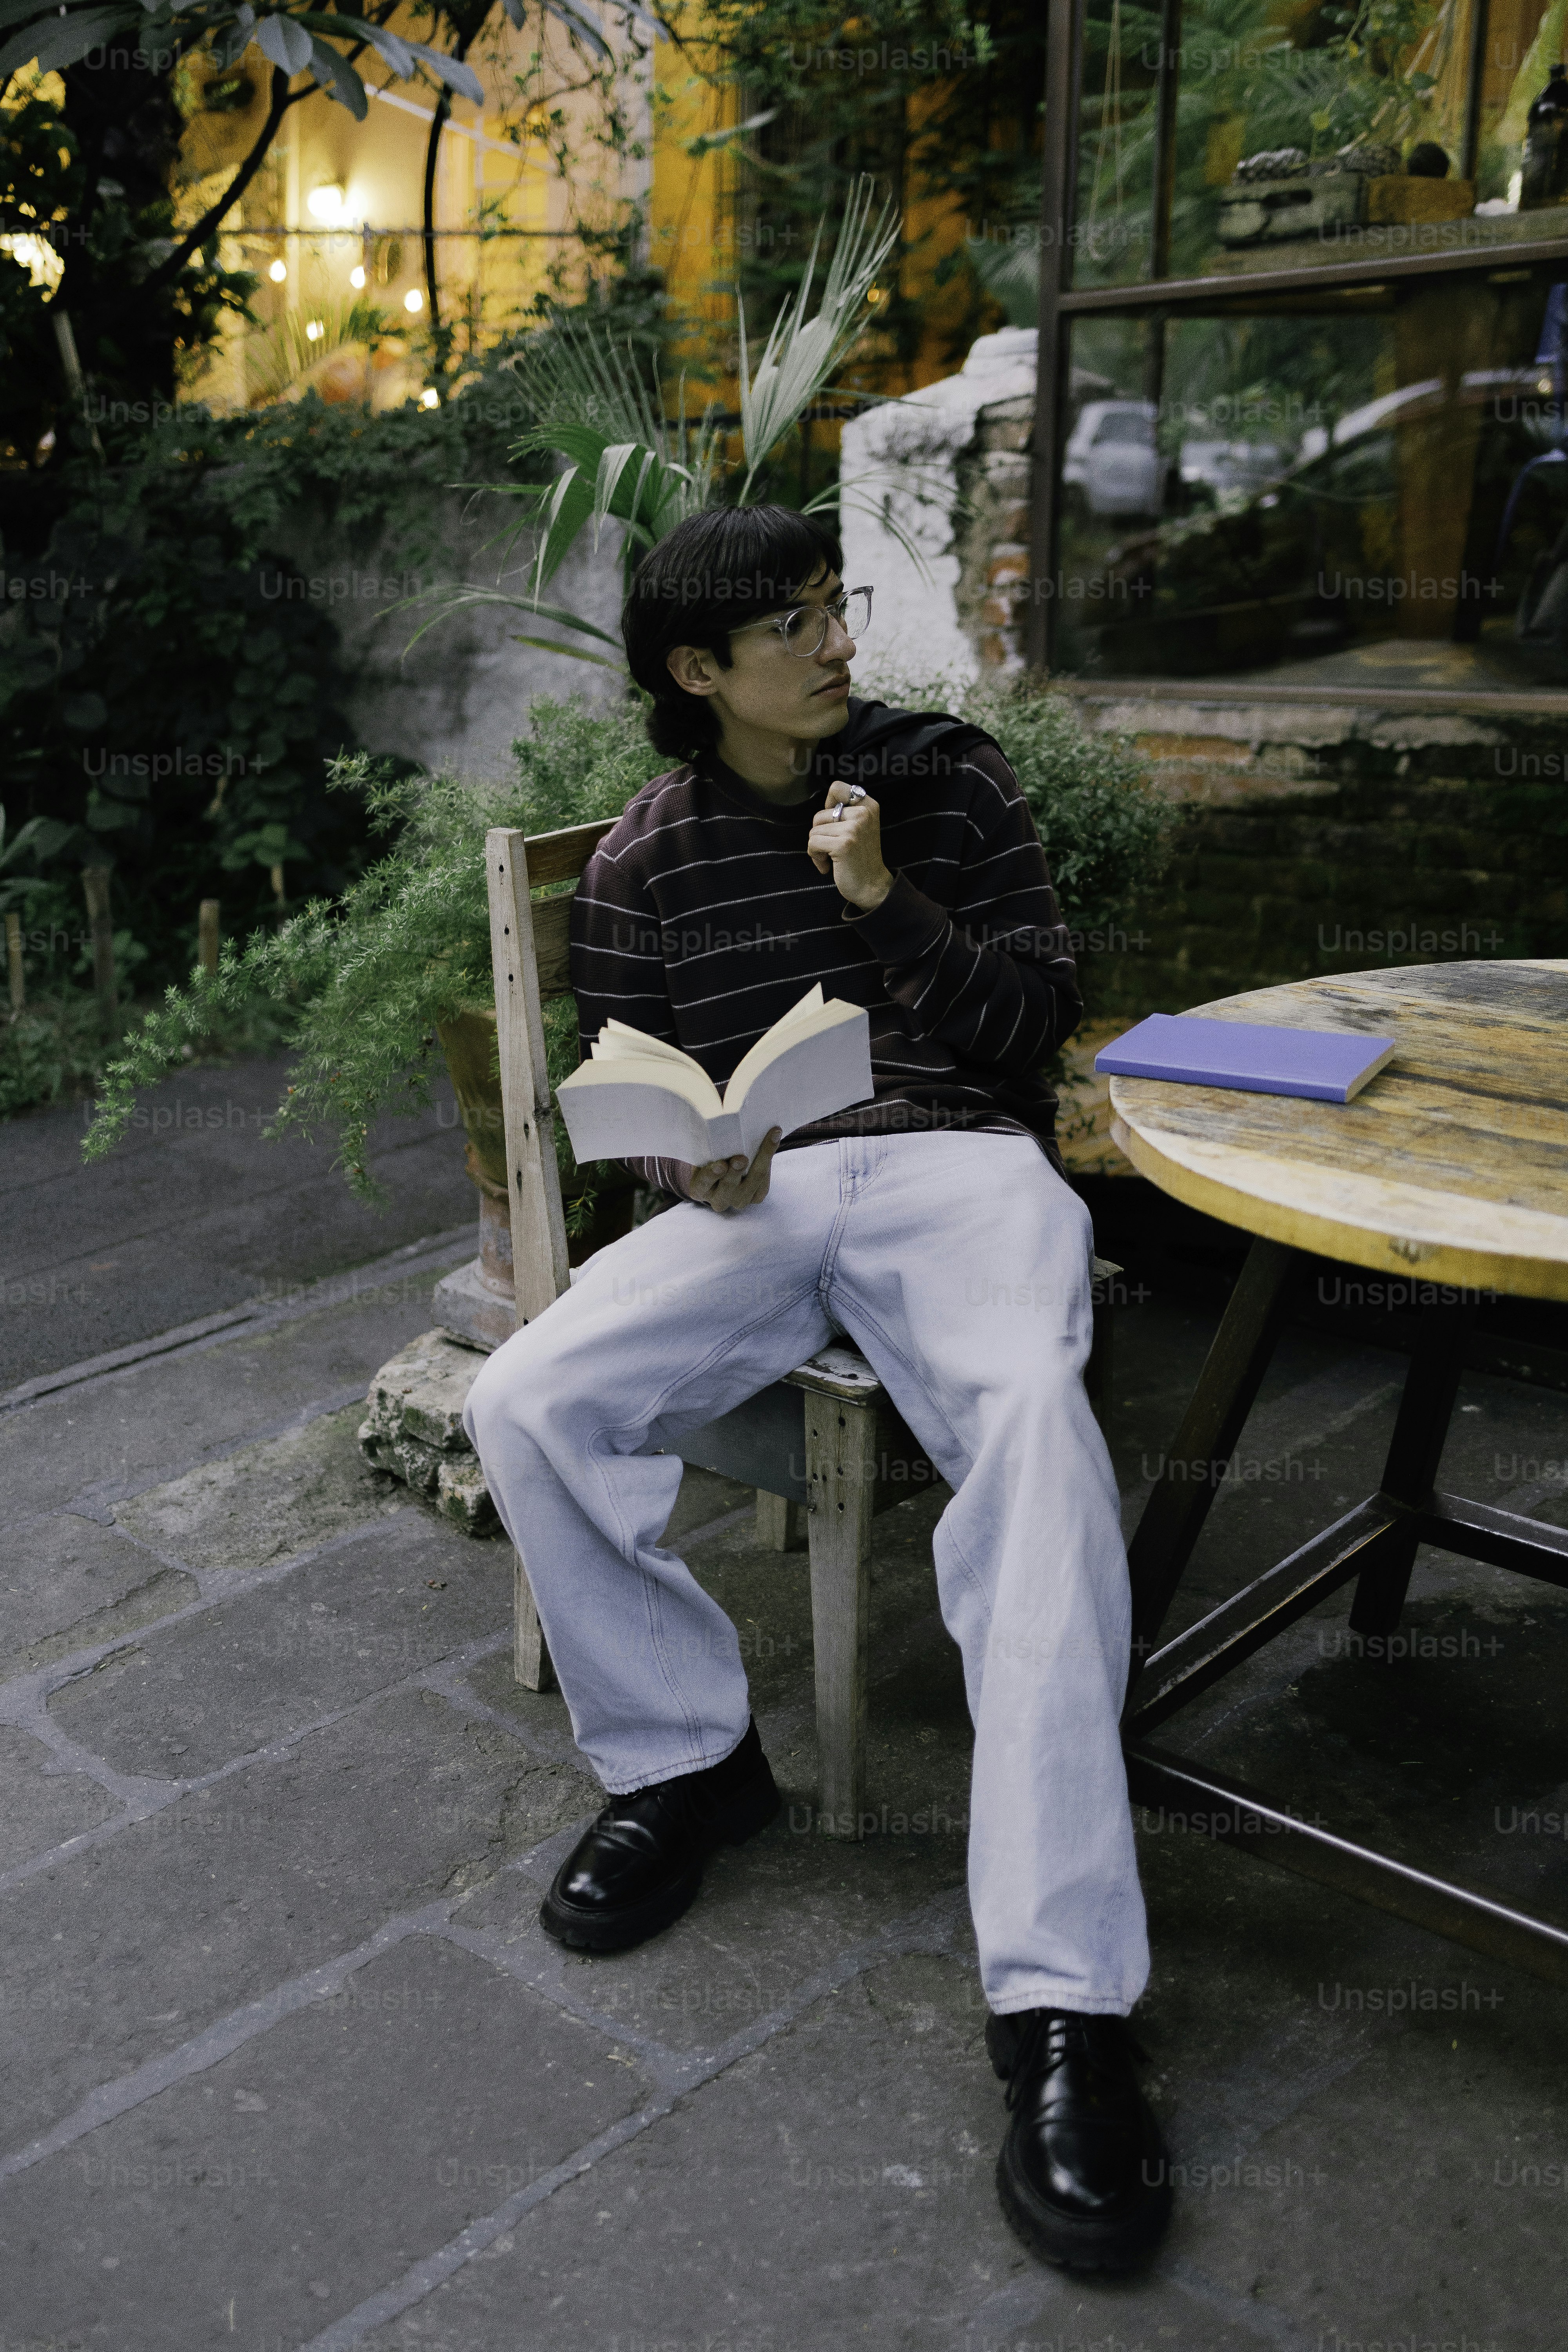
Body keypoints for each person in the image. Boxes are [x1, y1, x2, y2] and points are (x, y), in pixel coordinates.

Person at [464, 505, 1172, 2272]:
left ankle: (1064, 2007)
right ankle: (689, 1762)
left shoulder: (943, 780)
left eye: (834, 605)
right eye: (794, 623)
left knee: (1030, 1432)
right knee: (528, 1400)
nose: (837, 640)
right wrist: (684, 1173)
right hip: (764, 1200)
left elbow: (1033, 1027)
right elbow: (647, 1104)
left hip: (955, 1167)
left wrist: (885, 901)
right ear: (697, 675)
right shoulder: (640, 863)